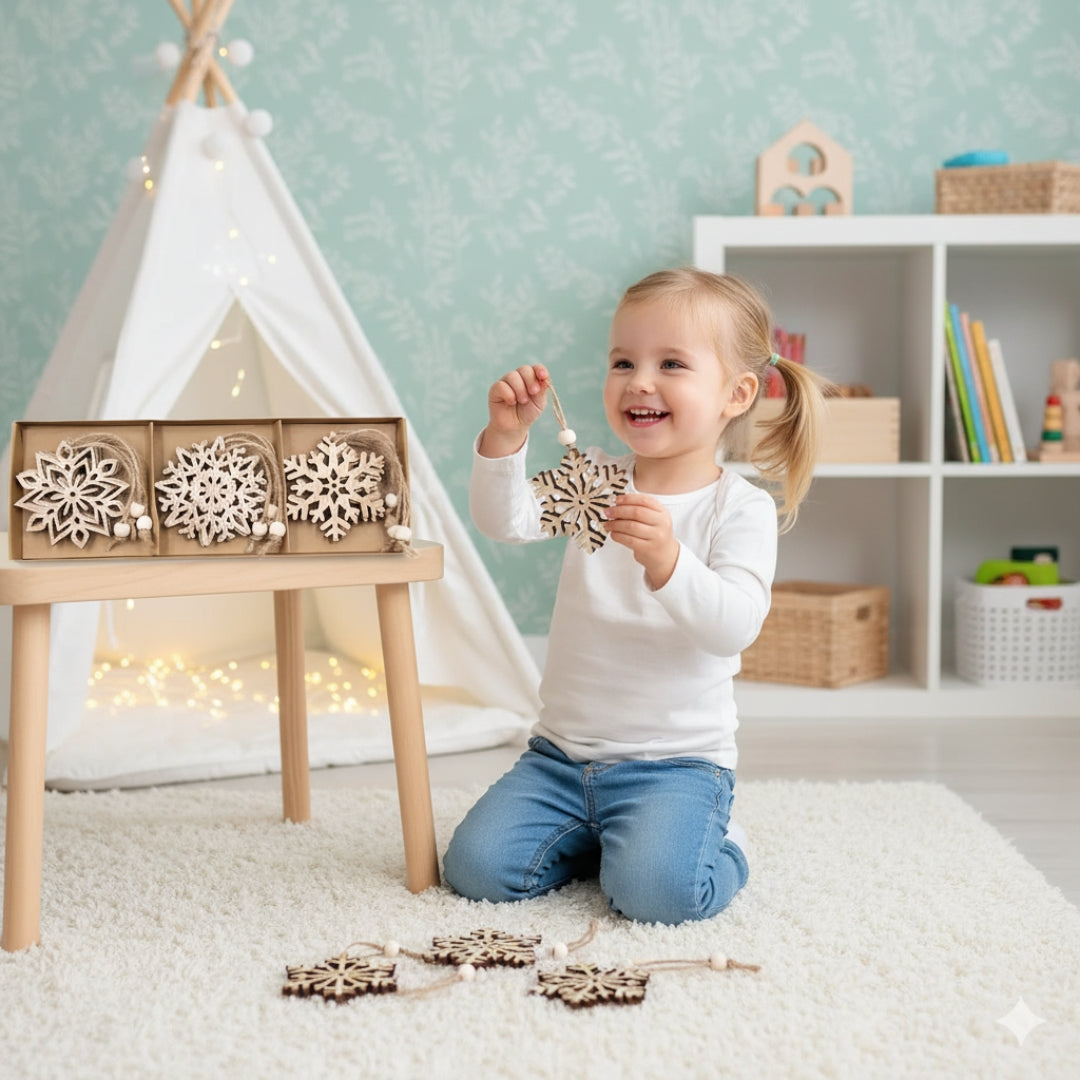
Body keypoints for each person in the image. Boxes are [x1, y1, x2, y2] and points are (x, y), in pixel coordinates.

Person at [443, 267, 829, 925]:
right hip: (560, 760)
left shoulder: (738, 509)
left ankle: (724, 844)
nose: (638, 380)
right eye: (623, 361)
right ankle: (606, 841)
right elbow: (505, 521)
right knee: (474, 871)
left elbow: (734, 626)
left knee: (656, 898)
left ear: (736, 394)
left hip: (676, 769)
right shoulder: (594, 478)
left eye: (670, 363)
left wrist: (670, 561)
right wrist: (505, 439)